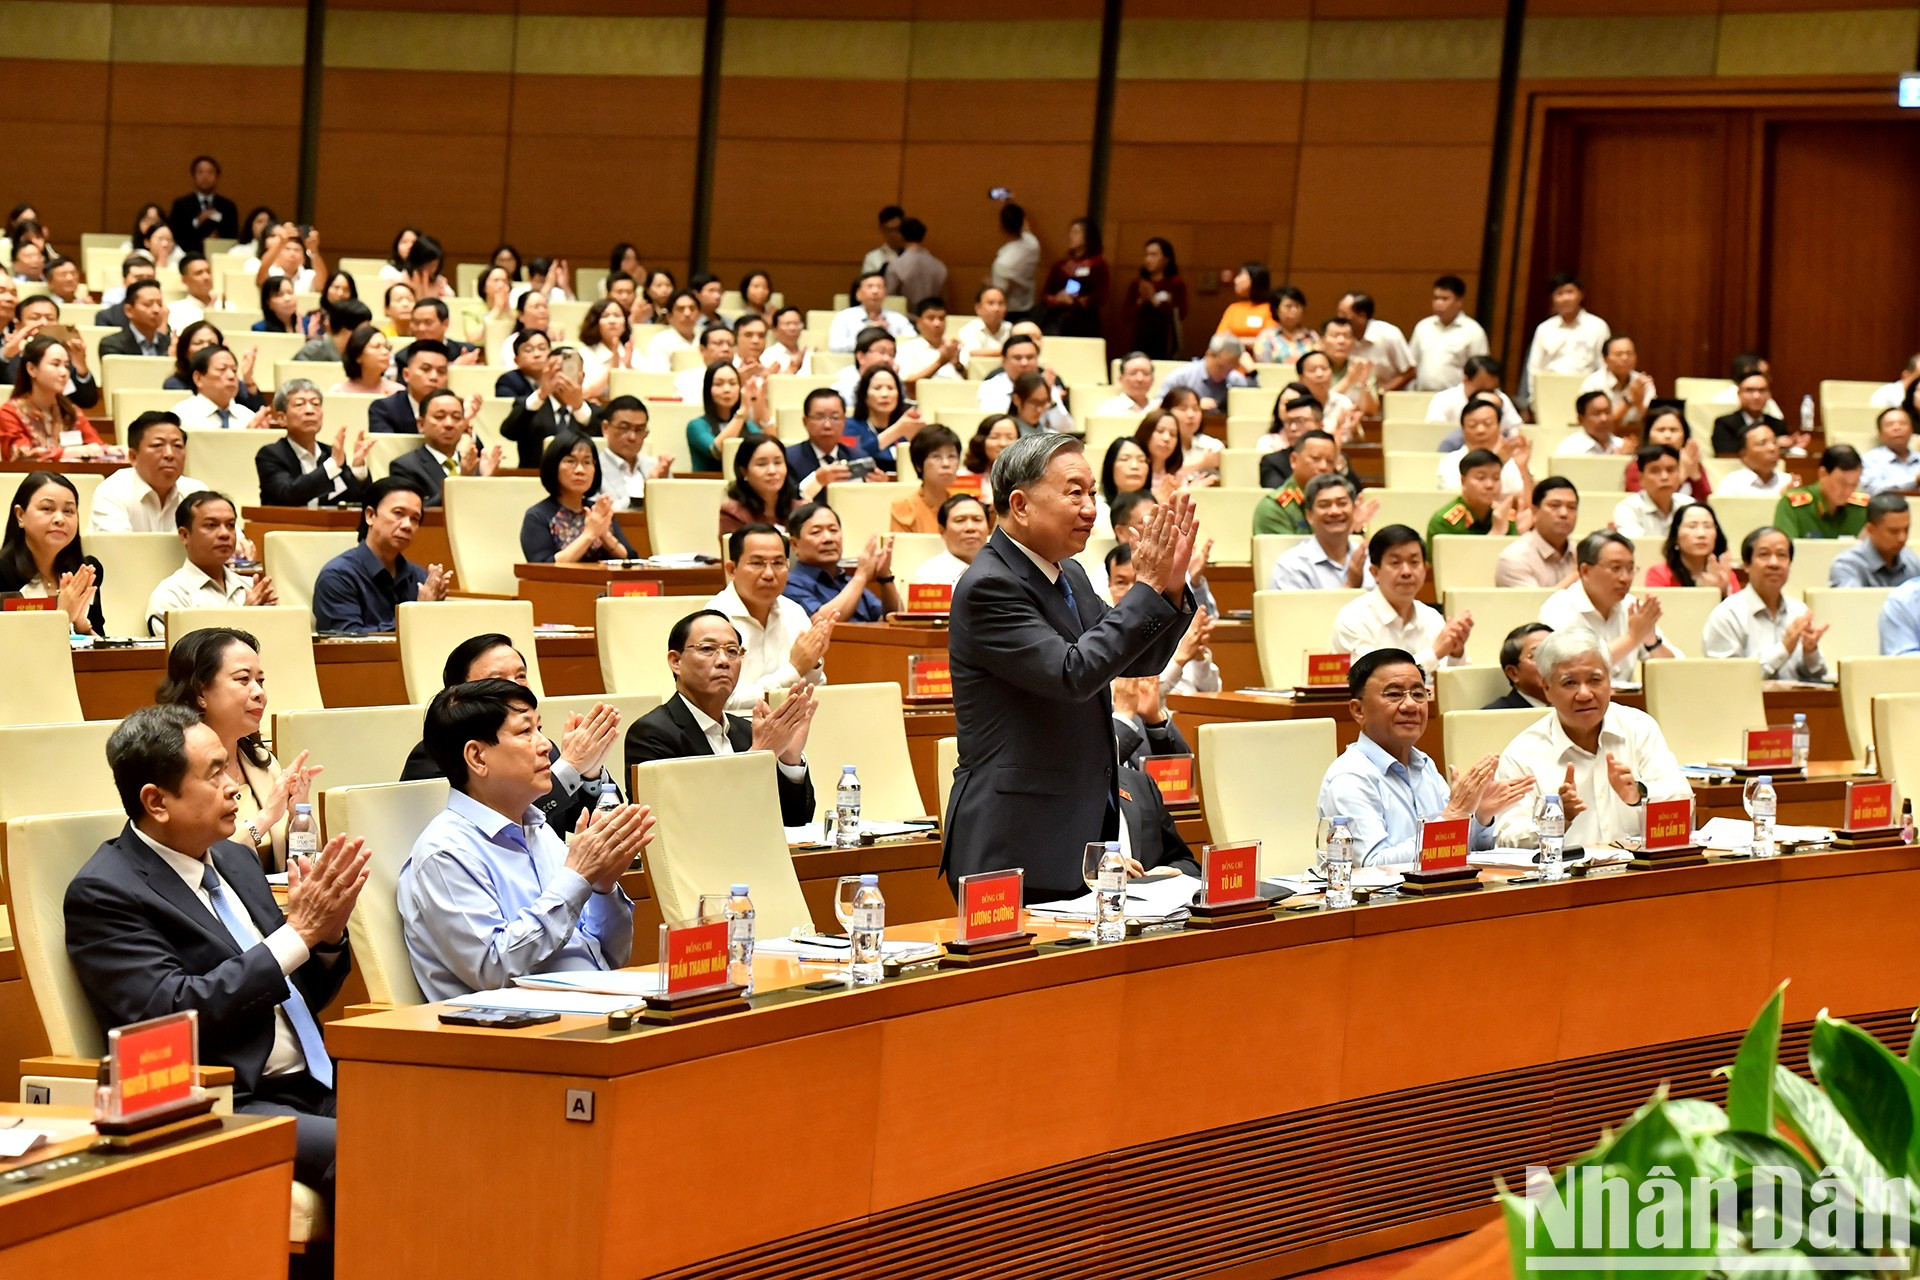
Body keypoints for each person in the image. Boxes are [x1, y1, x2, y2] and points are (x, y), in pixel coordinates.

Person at [68, 705, 368, 1214]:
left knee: (449, 1122)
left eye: (229, 767)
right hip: (227, 1100)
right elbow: (171, 1015)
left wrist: (328, 939)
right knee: (382, 1153)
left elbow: (297, 995)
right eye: (214, 773)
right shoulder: (106, 892)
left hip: (320, 1081)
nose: (235, 785)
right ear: (156, 802)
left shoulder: (233, 859)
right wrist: (298, 935)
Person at [944, 434, 1197, 897]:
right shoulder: (988, 586)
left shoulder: (1070, 574)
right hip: (1014, 839)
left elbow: (1140, 657)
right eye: (1074, 492)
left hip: (1076, 831)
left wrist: (1170, 588)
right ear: (1020, 505)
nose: (1090, 508)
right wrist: (1146, 586)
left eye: (1094, 493)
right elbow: (1072, 673)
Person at [399, 679, 655, 1002]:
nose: (546, 744)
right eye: (525, 732)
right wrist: (577, 879)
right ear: (477, 757)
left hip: (593, 1003)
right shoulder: (445, 852)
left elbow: (611, 956)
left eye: (540, 728)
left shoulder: (539, 830)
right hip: (515, 1032)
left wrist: (603, 887)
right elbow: (493, 968)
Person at [400, 634, 624, 836]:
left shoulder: (546, 748)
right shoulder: (433, 755)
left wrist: (590, 774)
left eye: (521, 676)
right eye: (497, 679)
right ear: (460, 693)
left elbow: (603, 828)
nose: (516, 687)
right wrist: (571, 767)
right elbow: (496, 826)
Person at [1491, 627, 1691, 847]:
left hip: (1639, 873)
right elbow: (1506, 839)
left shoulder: (1639, 728)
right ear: (1547, 689)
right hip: (1566, 879)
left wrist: (1639, 794)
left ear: (1609, 681)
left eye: (1595, 680)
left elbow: (1683, 804)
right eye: (1569, 683)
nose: (1585, 694)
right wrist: (1556, 817)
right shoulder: (1523, 753)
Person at [1317, 648, 1514, 868]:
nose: (1411, 705)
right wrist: (1453, 816)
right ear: (1358, 710)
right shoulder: (1350, 777)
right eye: (1394, 694)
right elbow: (1370, 866)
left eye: (1418, 694)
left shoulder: (1424, 765)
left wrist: (1479, 817)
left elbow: (1458, 851)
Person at [623, 609, 820, 826]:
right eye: (708, 649)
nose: (724, 661)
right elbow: (676, 824)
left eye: (733, 651)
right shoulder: (651, 734)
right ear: (676, 661)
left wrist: (789, 760)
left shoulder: (746, 732)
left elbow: (795, 821)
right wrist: (758, 755)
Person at [155, 626, 321, 871]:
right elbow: (195, 865)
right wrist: (266, 818)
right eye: (244, 679)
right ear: (201, 692)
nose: (259, 693)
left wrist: (299, 818)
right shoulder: (175, 770)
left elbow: (304, 863)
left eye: (260, 681)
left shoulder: (261, 762)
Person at [707, 524, 833, 711]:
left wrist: (812, 663)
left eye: (778, 563)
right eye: (757, 563)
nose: (769, 574)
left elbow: (818, 690)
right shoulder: (714, 621)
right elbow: (724, 703)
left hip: (793, 726)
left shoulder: (794, 612)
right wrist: (794, 670)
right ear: (732, 569)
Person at [311, 477, 451, 633]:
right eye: (398, 513)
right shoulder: (337, 577)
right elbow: (347, 643)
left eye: (415, 519)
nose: (407, 525)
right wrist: (417, 613)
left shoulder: (418, 577)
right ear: (370, 515)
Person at [1540, 531, 1679, 682]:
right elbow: (1574, 668)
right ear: (1585, 571)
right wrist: (1632, 638)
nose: (1625, 578)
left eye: (1630, 568)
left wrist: (1652, 641)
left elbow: (1674, 669)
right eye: (1616, 568)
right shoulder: (1559, 607)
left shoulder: (1631, 606)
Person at [1332, 526, 1470, 672]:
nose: (1406, 572)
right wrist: (1434, 653)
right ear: (1375, 572)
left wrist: (1456, 651)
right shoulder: (1353, 618)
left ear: (1425, 569)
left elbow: (1452, 683)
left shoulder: (1432, 618)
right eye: (1395, 563)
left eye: (1414, 562)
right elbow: (1370, 681)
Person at [1701, 528, 1829, 681]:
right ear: (1747, 565)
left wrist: (1810, 651)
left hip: (1796, 703)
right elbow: (1728, 680)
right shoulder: (1727, 615)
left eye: (1782, 555)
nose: (1774, 563)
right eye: (1764, 554)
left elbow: (1818, 677)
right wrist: (1784, 648)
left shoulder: (1799, 611)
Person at [145, 493, 275, 633]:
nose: (224, 534)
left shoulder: (252, 588)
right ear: (184, 535)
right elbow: (185, 653)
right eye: (211, 525)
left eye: (230, 525)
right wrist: (244, 616)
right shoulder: (171, 596)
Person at [1104, 544, 1219, 696]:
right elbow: (1131, 701)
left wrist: (1198, 659)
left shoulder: (1174, 623)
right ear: (1109, 584)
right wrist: (1181, 659)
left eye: (1139, 582)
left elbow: (1212, 690)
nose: (1132, 591)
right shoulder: (1105, 633)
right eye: (1121, 582)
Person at [0, 471, 105, 635]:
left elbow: (104, 655)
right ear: (20, 515)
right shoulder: (3, 573)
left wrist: (82, 625)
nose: (60, 519)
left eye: (69, 511)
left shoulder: (84, 571)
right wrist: (62, 615)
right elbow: (11, 647)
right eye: (47, 508)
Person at [521, 433, 640, 564]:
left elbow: (632, 560)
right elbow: (542, 567)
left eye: (587, 462)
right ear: (553, 466)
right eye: (570, 461)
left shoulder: (599, 511)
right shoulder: (538, 515)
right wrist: (589, 535)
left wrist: (605, 535)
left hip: (603, 583)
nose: (580, 470)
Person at [256, 379, 373, 509]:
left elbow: (356, 499)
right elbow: (288, 494)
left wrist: (358, 468)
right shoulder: (271, 455)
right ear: (282, 418)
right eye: (300, 404)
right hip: (285, 527)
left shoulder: (330, 453)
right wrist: (332, 465)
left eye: (315, 404)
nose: (310, 410)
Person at [783, 502, 900, 622]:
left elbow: (891, 617)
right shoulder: (789, 584)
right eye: (816, 532)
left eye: (833, 530)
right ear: (795, 544)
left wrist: (885, 578)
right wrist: (862, 575)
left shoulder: (847, 582)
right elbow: (820, 623)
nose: (828, 538)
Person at [90, 412, 206, 533]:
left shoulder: (195, 492)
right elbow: (118, 548)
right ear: (133, 456)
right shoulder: (112, 491)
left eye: (177, 445)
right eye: (158, 445)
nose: (169, 454)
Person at [389, 389, 499, 507]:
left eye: (456, 417)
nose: (449, 424)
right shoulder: (405, 466)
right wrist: (462, 482)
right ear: (421, 424)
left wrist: (486, 482)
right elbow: (416, 512)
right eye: (440, 417)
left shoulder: (475, 465)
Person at [0, 336, 103, 461]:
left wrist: (118, 450)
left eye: (66, 365)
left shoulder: (71, 412)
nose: (64, 372)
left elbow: (97, 446)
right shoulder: (10, 412)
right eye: (56, 364)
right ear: (31, 369)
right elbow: (20, 455)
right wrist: (68, 452)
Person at [499, 333, 593, 469]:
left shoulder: (591, 411)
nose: (563, 377)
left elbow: (599, 434)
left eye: (570, 369)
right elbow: (508, 432)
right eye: (557, 370)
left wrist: (578, 406)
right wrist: (542, 393)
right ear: (546, 373)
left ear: (582, 376)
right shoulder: (530, 407)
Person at [1270, 474, 1375, 591]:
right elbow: (1297, 609)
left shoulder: (1370, 559)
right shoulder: (1292, 565)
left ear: (1354, 510)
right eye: (1324, 505)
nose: (1335, 511)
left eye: (1342, 503)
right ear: (1309, 515)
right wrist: (1350, 586)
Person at [1522, 273, 1610, 405]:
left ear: (1580, 294)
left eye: (1570, 292)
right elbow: (1534, 367)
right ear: (1553, 298)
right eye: (1559, 293)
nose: (1565, 298)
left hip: (1585, 392)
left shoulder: (1598, 326)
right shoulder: (1544, 328)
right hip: (1550, 391)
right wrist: (1534, 400)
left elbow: (1603, 365)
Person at [787, 388, 887, 499]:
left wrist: (879, 488)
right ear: (805, 422)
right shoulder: (789, 459)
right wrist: (817, 481)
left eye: (835, 417)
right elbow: (786, 504)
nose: (827, 425)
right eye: (819, 417)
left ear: (844, 421)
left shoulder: (858, 457)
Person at [685, 359, 773, 474]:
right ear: (708, 389)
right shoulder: (696, 426)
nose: (727, 389)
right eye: (718, 384)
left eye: (732, 383)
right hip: (707, 488)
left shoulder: (748, 426)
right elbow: (716, 451)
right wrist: (743, 411)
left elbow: (769, 449)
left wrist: (761, 402)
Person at [976, 332, 1072, 433]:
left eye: (1030, 357)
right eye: (1017, 358)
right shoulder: (991, 386)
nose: (1024, 363)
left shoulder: (1046, 384)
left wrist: (1049, 395)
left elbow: (1065, 428)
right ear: (1003, 361)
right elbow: (995, 424)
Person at [1436, 395, 1530, 498]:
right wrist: (1499, 461)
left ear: (1499, 427)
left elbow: (1527, 503)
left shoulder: (1512, 461)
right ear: (1463, 430)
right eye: (1472, 425)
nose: (1481, 430)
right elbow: (1457, 497)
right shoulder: (1450, 462)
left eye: (1488, 424)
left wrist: (1523, 467)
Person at [1408, 275, 1488, 392]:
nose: (1439, 303)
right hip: (1421, 395)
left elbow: (1480, 371)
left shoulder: (1473, 331)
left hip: (1454, 398)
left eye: (1445, 299)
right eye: (1436, 298)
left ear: (1459, 302)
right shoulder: (1423, 326)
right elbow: (1412, 363)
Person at [1254, 430, 1342, 536]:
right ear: (1294, 460)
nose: (1324, 467)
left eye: (1330, 461)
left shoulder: (1339, 506)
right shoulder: (1274, 508)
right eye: (1316, 459)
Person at [1496, 477, 1580, 588]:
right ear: (1534, 512)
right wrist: (1577, 575)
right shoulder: (1514, 558)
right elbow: (1534, 604)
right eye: (1554, 505)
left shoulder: (1581, 553)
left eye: (1572, 507)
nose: (1564, 513)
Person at [1771, 445, 1867, 540]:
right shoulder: (1793, 506)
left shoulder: (1862, 510)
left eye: (1854, 484)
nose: (1848, 491)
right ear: (1823, 474)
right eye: (1842, 483)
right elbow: (1785, 550)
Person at [1623, 405, 1712, 503]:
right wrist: (1681, 477)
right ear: (1648, 436)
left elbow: (1705, 504)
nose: (1667, 436)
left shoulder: (1692, 463)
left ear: (1684, 435)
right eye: (1661, 430)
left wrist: (1695, 475)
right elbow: (1640, 501)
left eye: (1674, 430)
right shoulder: (1637, 466)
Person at [1426, 450, 1522, 541]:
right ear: (1463, 481)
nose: (1490, 485)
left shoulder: (1506, 517)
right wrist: (1497, 532)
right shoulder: (1444, 523)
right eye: (1481, 478)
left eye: (1496, 478)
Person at [1645, 503, 1737, 595]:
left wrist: (1724, 593)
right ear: (1676, 535)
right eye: (1692, 526)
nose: (1701, 534)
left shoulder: (1724, 574)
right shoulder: (1659, 574)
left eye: (1708, 526)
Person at [1831, 494, 1920, 588]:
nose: (1902, 538)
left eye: (1906, 529)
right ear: (1870, 529)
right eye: (1893, 531)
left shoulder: (1912, 561)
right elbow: (1851, 601)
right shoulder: (1847, 565)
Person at [719, 432, 797, 537]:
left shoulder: (799, 509)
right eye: (762, 464)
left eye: (778, 462)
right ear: (744, 471)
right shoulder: (733, 514)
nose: (772, 471)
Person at [847, 365, 922, 472]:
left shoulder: (906, 427)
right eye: (877, 388)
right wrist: (897, 430)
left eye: (891, 388)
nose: (885, 394)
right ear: (864, 395)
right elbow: (853, 456)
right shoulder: (849, 426)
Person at [1426, 355, 1522, 436]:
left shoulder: (1501, 398)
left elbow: (1515, 430)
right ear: (1466, 380)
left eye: (1491, 390)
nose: (1487, 395)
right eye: (1482, 389)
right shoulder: (1443, 399)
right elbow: (1434, 432)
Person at [368, 339, 449, 434]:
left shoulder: (455, 410)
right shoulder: (384, 409)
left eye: (441, 371)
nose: (434, 377)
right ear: (406, 375)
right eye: (426, 369)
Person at [1611, 443, 1691, 539]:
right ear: (1641, 478)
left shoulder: (1689, 505)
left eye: (1670, 470)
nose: (1664, 477)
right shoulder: (1628, 509)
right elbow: (1637, 546)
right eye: (1655, 471)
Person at [1337, 291, 1414, 391]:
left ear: (1361, 316)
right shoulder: (1341, 337)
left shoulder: (1389, 334)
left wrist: (1382, 392)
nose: (1339, 319)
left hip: (1385, 398)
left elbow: (1409, 372)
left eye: (1343, 315)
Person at [170, 344, 258, 431]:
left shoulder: (248, 416)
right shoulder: (182, 415)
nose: (231, 376)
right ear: (198, 378)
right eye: (222, 369)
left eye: (234, 370)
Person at [892, 424, 961, 533]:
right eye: (936, 456)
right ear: (919, 465)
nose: (946, 464)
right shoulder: (905, 509)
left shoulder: (964, 507)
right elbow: (901, 549)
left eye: (951, 456)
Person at [912, 493, 990, 587]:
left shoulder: (1005, 567)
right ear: (942, 531)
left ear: (988, 528)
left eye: (977, 519)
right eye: (960, 520)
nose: (970, 527)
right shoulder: (928, 575)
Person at [1579, 335, 1655, 432]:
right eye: (1619, 354)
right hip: (1602, 439)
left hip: (1636, 436)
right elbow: (1599, 426)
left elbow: (1653, 422)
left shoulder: (1643, 382)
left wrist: (1639, 402)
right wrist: (1629, 400)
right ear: (1605, 359)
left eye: (1629, 353)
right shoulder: (1593, 383)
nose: (1625, 358)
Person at [1161, 334, 1254, 412]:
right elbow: (1159, 407)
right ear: (1209, 354)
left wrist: (1252, 372)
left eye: (1230, 369)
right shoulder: (1181, 377)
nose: (1224, 374)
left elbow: (1254, 404)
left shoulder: (1235, 379)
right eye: (1221, 367)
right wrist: (1193, 406)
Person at [167, 155, 239, 253]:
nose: (205, 176)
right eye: (200, 172)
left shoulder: (228, 206)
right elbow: (176, 234)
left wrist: (217, 238)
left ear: (217, 177)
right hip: (189, 254)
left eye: (210, 172)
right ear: (194, 176)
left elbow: (232, 236)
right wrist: (197, 221)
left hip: (219, 253)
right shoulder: (181, 204)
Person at [1129, 237, 1185, 360]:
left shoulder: (1175, 284)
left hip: (1164, 340)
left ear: (1166, 259)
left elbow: (1180, 313)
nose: (1148, 259)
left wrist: (1154, 300)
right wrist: (1141, 300)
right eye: (1147, 255)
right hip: (1139, 338)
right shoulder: (1138, 284)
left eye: (1154, 255)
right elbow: (1126, 314)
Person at [1711, 370, 1791, 456]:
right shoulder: (1724, 423)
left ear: (1769, 394)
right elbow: (1725, 453)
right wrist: (1773, 444)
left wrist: (1792, 446)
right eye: (1749, 390)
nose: (1756, 396)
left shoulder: (1778, 424)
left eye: (1762, 390)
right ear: (1739, 394)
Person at [829, 272, 914, 352]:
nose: (875, 291)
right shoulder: (844, 317)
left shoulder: (898, 319)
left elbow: (913, 342)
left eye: (879, 287)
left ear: (885, 293)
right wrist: (867, 336)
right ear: (858, 294)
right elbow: (835, 346)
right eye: (870, 287)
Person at [895, 296, 964, 389]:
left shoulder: (953, 347)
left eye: (941, 318)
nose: (937, 324)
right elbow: (907, 384)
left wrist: (957, 365)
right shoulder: (907, 348)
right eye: (931, 318)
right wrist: (940, 362)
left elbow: (969, 380)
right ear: (918, 322)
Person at [990, 199, 1041, 317]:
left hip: (1010, 313)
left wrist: (989, 283)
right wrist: (1011, 204)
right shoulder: (1033, 244)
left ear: (1002, 227)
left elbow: (999, 294)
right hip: (1029, 307)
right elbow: (1026, 228)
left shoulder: (1003, 263)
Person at [1715, 420, 1793, 497]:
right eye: (1762, 443)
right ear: (1743, 454)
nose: (1772, 448)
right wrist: (1780, 498)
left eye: (1774, 442)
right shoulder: (1731, 484)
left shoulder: (1788, 481)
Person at [98, 279, 171, 359]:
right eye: (148, 304)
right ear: (128, 310)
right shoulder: (112, 344)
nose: (156, 310)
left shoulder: (170, 344)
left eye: (160, 304)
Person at [883, 217, 947, 308]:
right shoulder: (940, 266)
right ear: (923, 236)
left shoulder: (896, 266)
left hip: (904, 318)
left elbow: (889, 298)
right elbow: (944, 298)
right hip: (931, 317)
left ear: (901, 236)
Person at [1487, 623, 1552, 709]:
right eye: (1538, 654)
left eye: (1555, 653)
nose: (1551, 661)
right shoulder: (1493, 716)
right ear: (1513, 673)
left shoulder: (1571, 708)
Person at [1215, 262, 1276, 348]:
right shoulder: (1233, 309)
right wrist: (1248, 341)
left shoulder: (1270, 308)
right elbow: (1220, 339)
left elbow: (1270, 341)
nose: (1236, 280)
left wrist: (1236, 341)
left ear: (1255, 278)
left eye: (1240, 275)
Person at [1861, 407, 1920, 496]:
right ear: (1879, 433)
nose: (1897, 428)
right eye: (1890, 425)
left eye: (1903, 423)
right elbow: (1871, 490)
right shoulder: (1870, 460)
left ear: (1912, 429)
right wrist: (1915, 480)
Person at [330, 324, 401, 397]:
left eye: (387, 347)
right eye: (377, 347)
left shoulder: (398, 393)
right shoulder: (338, 393)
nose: (385, 352)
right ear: (358, 355)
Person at [963, 413, 1019, 504]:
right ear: (980, 441)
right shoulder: (965, 477)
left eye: (1010, 437)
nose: (1002, 443)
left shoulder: (1027, 479)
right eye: (994, 437)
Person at [953, 285, 1011, 366]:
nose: (996, 308)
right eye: (991, 303)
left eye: (1001, 303)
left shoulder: (1011, 329)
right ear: (978, 308)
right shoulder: (969, 330)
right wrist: (1008, 351)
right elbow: (972, 352)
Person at [1557, 390, 1628, 456]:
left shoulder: (1622, 446)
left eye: (1607, 412)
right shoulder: (1569, 448)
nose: (1604, 418)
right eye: (1596, 413)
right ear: (1580, 419)